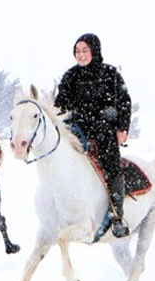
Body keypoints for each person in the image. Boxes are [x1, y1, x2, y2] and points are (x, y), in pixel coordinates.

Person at [54, 33, 132, 238]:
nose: (80, 55)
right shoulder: (70, 76)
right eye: (77, 51)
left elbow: (124, 102)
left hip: (104, 133)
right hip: (76, 134)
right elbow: (60, 104)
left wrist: (122, 129)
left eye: (84, 50)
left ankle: (117, 215)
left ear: (94, 51)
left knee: (112, 168)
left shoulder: (110, 74)